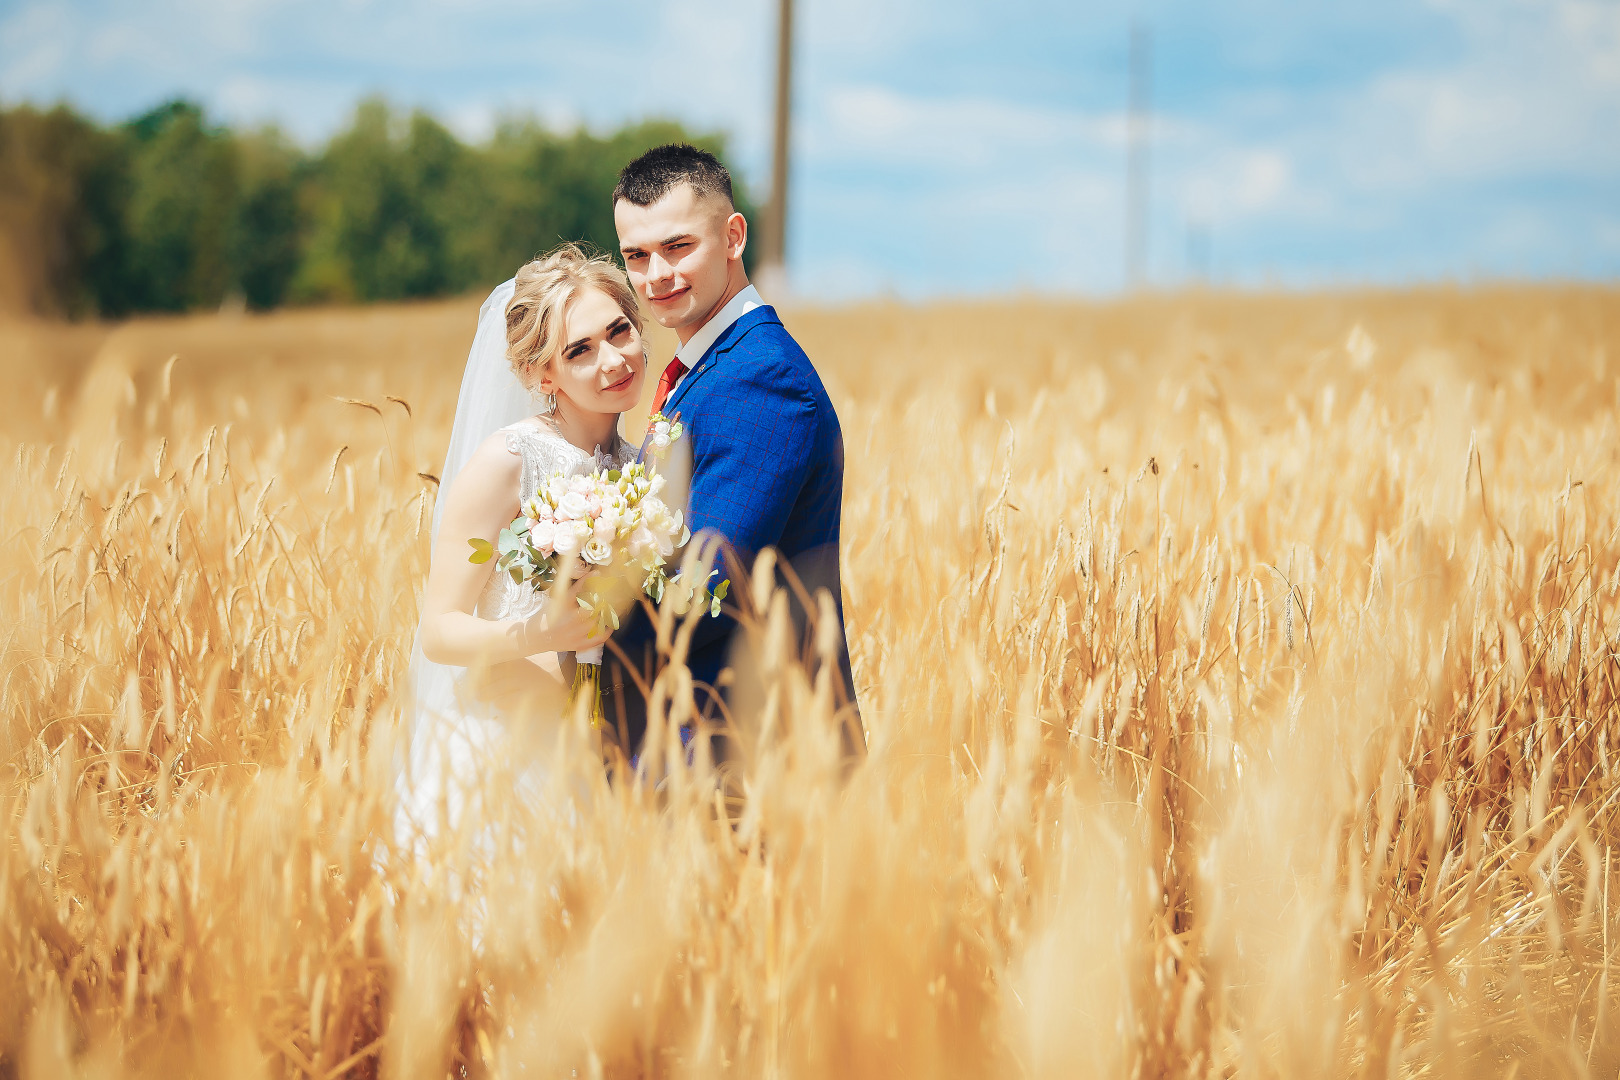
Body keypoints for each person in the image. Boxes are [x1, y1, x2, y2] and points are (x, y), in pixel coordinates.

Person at [602, 144, 864, 766]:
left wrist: (572, 614)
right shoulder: (708, 369)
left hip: (744, 753)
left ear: (734, 237)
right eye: (636, 256)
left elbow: (707, 587)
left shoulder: (760, 379)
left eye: (678, 246)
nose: (656, 275)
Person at [403, 244, 647, 842]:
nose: (613, 360)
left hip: (599, 751)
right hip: (502, 755)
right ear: (542, 375)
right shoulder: (509, 460)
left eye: (619, 331)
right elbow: (438, 629)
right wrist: (539, 635)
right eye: (580, 351)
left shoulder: (639, 467)